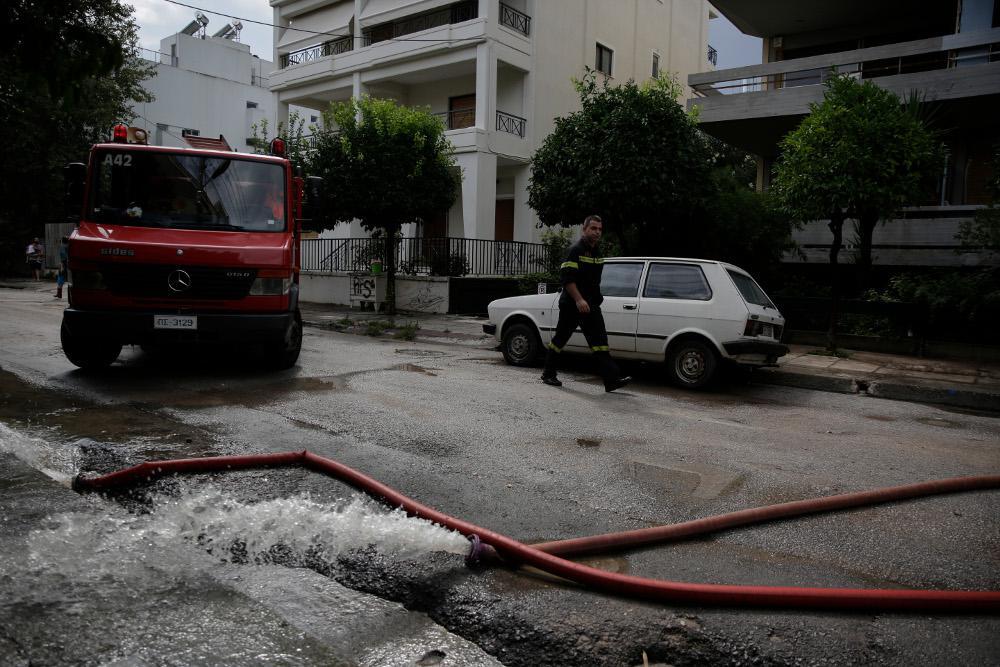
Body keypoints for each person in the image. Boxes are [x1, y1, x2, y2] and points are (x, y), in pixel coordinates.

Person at [541, 215, 632, 392]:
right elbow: (567, 279)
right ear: (584, 229)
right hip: (572, 304)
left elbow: (594, 281)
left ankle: (611, 380)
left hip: (590, 305)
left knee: (600, 342)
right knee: (560, 339)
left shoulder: (597, 251)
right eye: (593, 228)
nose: (597, 232)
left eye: (599, 229)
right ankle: (548, 374)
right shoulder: (575, 250)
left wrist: (596, 299)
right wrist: (579, 299)